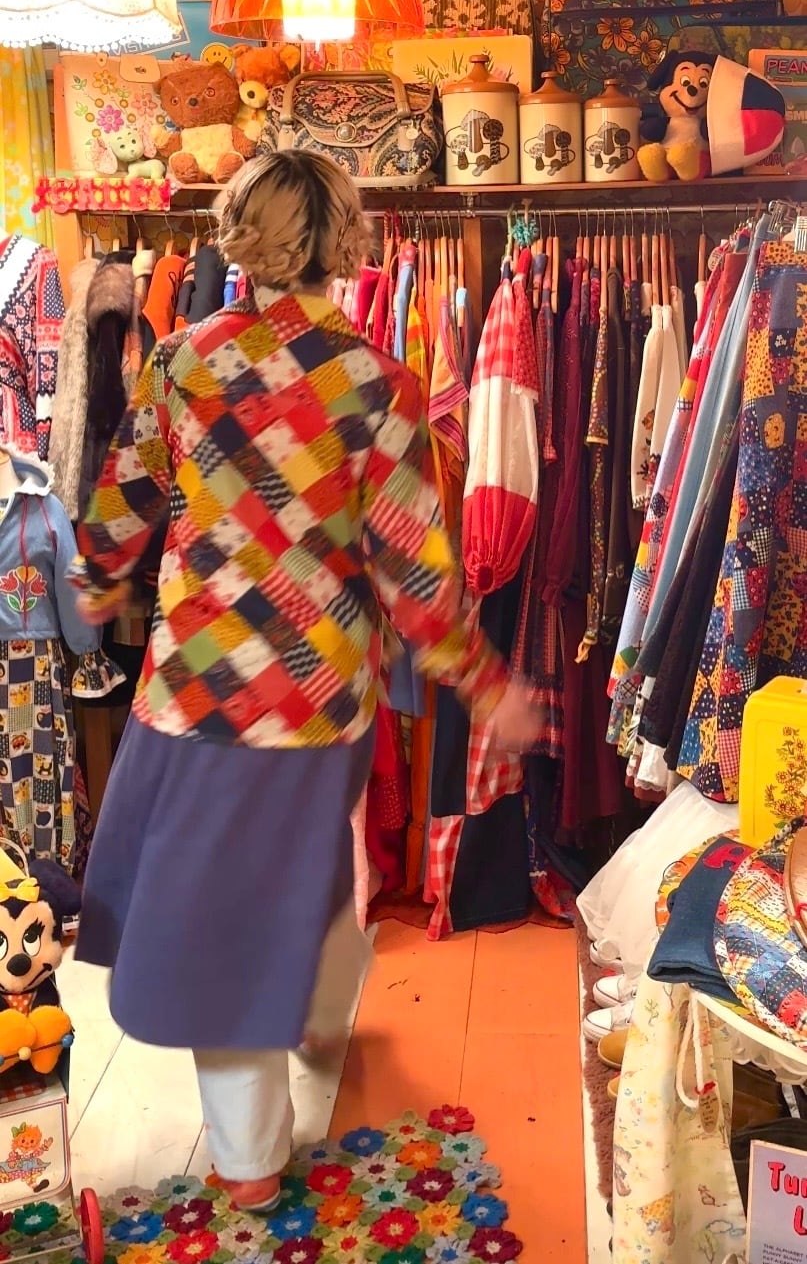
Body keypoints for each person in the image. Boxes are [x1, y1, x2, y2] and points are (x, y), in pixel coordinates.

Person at [73, 151, 542, 1213]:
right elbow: (415, 570)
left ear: (239, 233)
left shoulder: (183, 360)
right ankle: (308, 1040)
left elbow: (125, 493)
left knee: (222, 914)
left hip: (196, 688)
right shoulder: (376, 383)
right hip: (319, 697)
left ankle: (252, 1144)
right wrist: (482, 681)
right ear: (344, 239)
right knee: (293, 869)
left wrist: (95, 579)